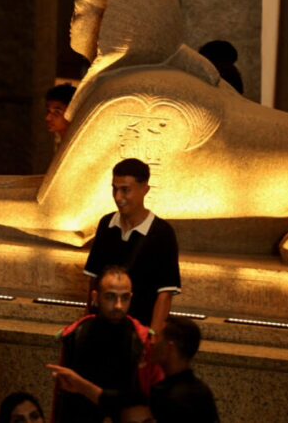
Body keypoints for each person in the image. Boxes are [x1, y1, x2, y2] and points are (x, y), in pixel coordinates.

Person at [46, 268, 164, 423]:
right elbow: (64, 399)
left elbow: (149, 399)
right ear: (96, 297)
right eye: (110, 297)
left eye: (125, 298)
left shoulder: (142, 340)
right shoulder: (76, 334)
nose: (118, 306)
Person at [82, 158, 181, 334]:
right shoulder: (107, 224)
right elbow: (94, 282)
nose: (118, 197)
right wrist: (86, 326)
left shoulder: (162, 233)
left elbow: (165, 294)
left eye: (125, 190)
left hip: (138, 331)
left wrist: (152, 337)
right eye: (114, 189)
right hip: (103, 329)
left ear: (144, 189)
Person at [147, 317, 219, 422]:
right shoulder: (203, 392)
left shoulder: (166, 397)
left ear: (169, 347)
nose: (152, 342)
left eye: (157, 337)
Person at [44, 84, 75, 150]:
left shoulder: (77, 145)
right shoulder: (62, 143)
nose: (48, 118)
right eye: (48, 111)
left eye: (57, 112)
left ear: (72, 112)